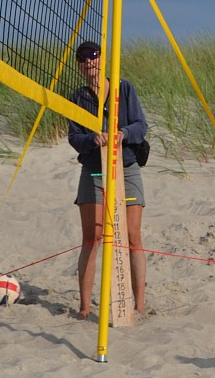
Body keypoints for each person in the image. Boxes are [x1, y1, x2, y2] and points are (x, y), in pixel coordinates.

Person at [66, 40, 148, 320]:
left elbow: (140, 125)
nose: (89, 61)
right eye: (83, 58)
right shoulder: (77, 97)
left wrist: (123, 133)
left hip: (126, 166)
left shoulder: (123, 88)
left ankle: (139, 306)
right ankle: (84, 308)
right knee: (93, 237)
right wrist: (93, 138)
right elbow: (74, 137)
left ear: (102, 58)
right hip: (94, 169)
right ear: (79, 65)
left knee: (132, 236)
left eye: (93, 55)